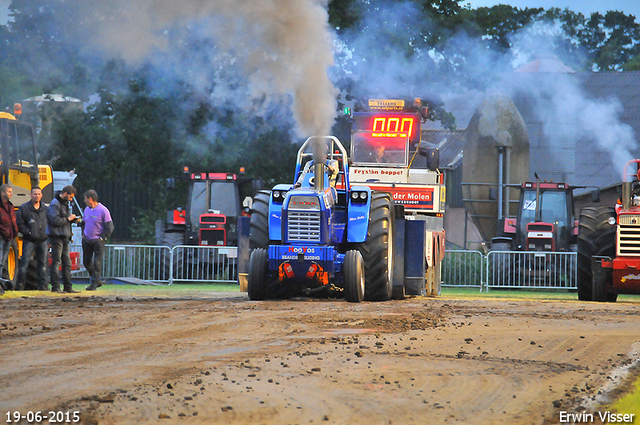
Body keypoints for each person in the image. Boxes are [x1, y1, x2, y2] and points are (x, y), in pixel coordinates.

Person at [47, 185, 80, 293]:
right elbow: (54, 220)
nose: (71, 199)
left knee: (67, 262)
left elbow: (62, 220)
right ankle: (55, 287)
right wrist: (68, 218)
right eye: (70, 197)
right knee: (57, 262)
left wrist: (72, 220)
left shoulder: (63, 204)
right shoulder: (55, 204)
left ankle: (68, 286)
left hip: (64, 236)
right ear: (65, 194)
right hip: (57, 237)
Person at [16, 187, 48, 291]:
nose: (37, 196)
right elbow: (19, 223)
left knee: (42, 265)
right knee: (24, 263)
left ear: (41, 195)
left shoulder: (45, 208)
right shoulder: (24, 208)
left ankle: (43, 286)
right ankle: (20, 285)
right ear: (30, 195)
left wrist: (46, 234)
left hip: (43, 240)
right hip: (29, 240)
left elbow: (49, 222)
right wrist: (28, 232)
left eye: (39, 194)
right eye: (35, 194)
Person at [81, 190, 114, 291]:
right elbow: (83, 223)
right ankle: (97, 279)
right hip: (87, 239)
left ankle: (94, 284)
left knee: (97, 263)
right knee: (86, 262)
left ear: (90, 199)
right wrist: (83, 234)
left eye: (85, 199)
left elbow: (110, 226)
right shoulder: (86, 209)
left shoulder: (103, 210)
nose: (84, 201)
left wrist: (102, 237)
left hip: (97, 241)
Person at [0, 184, 18, 294]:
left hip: (9, 237)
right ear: (3, 193)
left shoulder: (10, 206)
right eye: (9, 191)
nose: (11, 194)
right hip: (1, 236)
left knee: (2, 262)